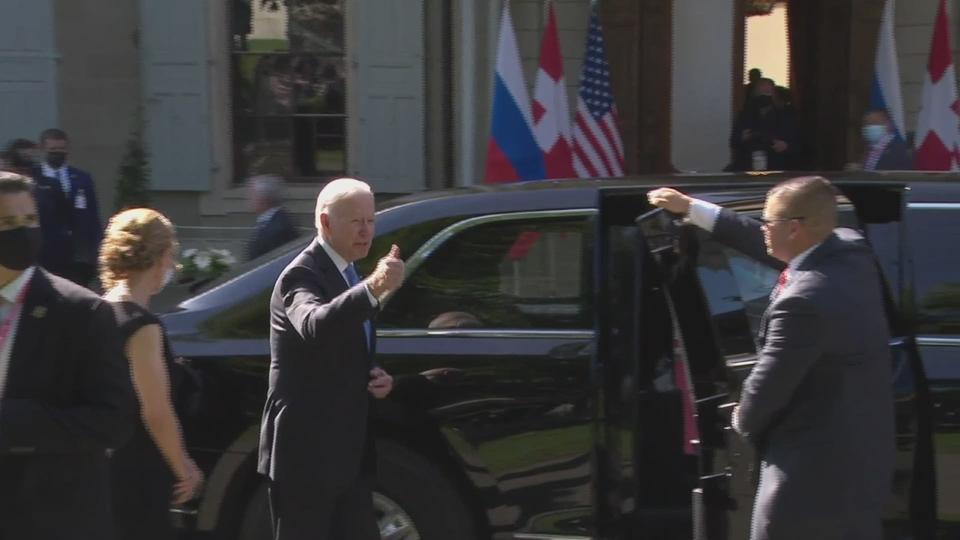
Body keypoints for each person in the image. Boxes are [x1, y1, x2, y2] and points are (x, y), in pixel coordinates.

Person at [647, 177, 894, 540]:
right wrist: (692, 209)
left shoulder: (804, 301)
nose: (762, 230)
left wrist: (738, 420)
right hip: (856, 459)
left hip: (807, 470)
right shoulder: (849, 252)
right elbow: (755, 238)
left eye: (768, 222)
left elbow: (769, 385)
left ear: (794, 228)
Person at [257, 177, 404, 539]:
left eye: (371, 220)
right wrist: (373, 288)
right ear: (325, 223)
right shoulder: (301, 274)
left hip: (347, 455)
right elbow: (315, 325)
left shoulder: (347, 270)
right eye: (356, 221)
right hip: (306, 456)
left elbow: (339, 347)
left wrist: (373, 374)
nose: (366, 231)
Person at [0, 171, 136, 539]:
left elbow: (114, 420)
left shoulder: (80, 312)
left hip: (49, 517)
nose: (22, 232)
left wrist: (15, 421)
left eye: (29, 220)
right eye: (8, 223)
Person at [99, 208, 205, 540]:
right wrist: (183, 465)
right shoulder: (143, 327)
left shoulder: (99, 309)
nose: (172, 266)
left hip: (104, 462)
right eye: (170, 256)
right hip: (139, 468)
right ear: (158, 258)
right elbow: (156, 410)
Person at [33, 128, 103, 287]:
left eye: (61, 150)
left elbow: (92, 217)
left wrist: (94, 251)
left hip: (76, 257)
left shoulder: (82, 178)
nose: (58, 154)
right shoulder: (32, 177)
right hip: (44, 254)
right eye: (53, 150)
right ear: (43, 149)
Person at [729, 78, 799, 171]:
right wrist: (742, 137)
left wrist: (785, 145)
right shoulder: (745, 115)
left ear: (774, 94)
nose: (765, 97)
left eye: (768, 92)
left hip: (776, 165)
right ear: (755, 94)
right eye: (761, 92)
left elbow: (796, 144)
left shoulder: (785, 115)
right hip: (748, 165)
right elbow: (734, 141)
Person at [246, 175, 300, 261]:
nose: (249, 199)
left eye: (252, 195)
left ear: (263, 199)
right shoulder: (269, 221)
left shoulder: (278, 227)